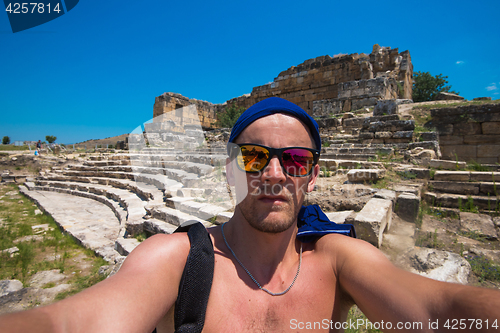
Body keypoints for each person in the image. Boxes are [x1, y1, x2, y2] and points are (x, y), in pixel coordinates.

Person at [1, 97, 499, 332]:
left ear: (313, 175)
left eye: (296, 160)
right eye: (254, 157)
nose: (275, 173)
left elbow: (441, 310)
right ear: (229, 171)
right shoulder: (177, 261)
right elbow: (72, 324)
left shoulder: (339, 261)